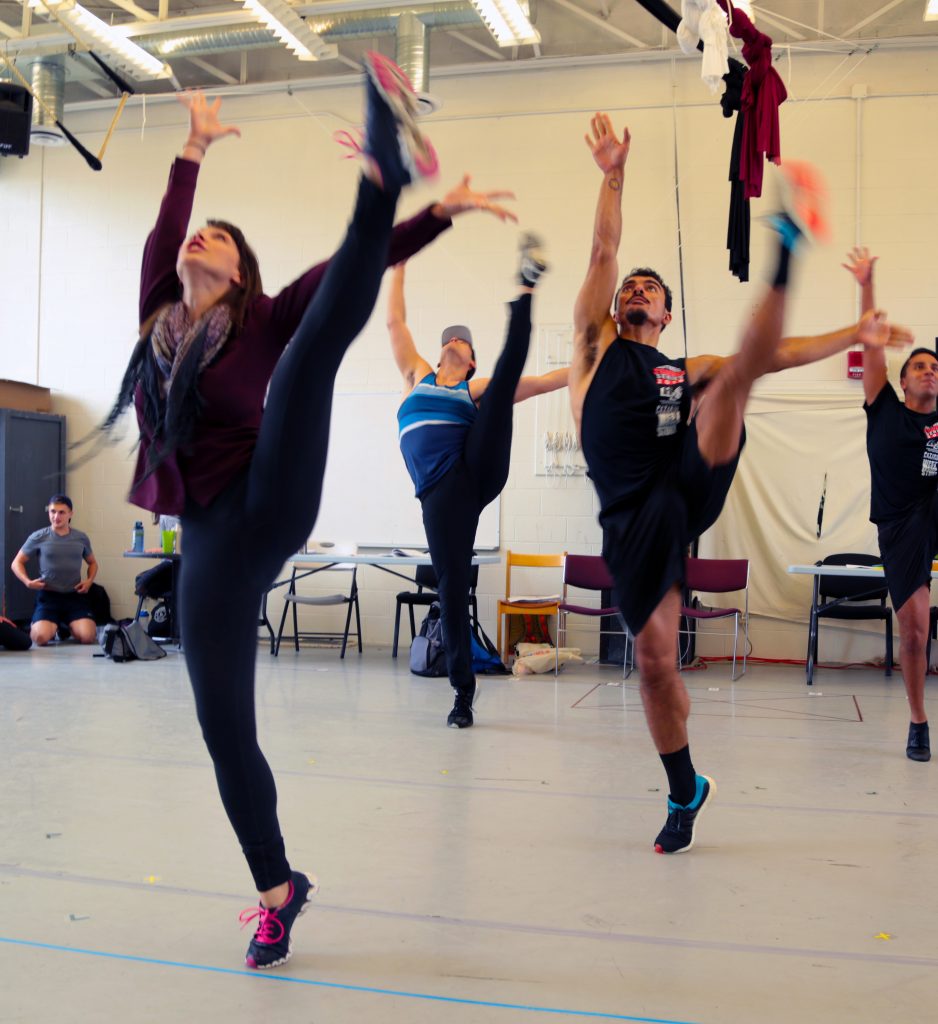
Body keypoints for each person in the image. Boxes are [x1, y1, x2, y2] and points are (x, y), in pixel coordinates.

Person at [92, 55, 520, 970]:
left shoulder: (265, 317)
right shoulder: (158, 323)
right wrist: (192, 151)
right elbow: (163, 229)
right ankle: (278, 889)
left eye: (218, 236)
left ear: (242, 270)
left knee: (312, 355)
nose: (197, 237)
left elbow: (348, 273)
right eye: (194, 234)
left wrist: (429, 215)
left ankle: (382, 169)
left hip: (272, 489)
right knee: (223, 731)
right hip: (212, 537)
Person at [569, 113, 913, 854]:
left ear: (665, 313)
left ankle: (784, 250)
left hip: (685, 482)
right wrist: (613, 173)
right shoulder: (594, 346)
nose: (637, 288)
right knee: (657, 668)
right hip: (631, 522)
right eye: (631, 285)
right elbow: (603, 247)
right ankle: (685, 789)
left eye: (651, 288)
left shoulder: (679, 366)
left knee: (732, 382)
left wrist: (857, 336)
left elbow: (777, 353)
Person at [388, 236, 567, 728]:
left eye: (463, 341)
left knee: (503, 390)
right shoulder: (416, 376)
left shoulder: (473, 386)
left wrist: (589, 368)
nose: (454, 341)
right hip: (440, 498)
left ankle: (525, 291)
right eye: (450, 337)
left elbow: (545, 382)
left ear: (470, 360)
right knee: (450, 589)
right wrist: (398, 265)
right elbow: (394, 322)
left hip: (476, 471)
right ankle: (463, 695)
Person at [852, 246, 935, 762]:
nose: (928, 372)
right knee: (915, 631)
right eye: (919, 367)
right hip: (903, 522)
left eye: (934, 368)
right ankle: (919, 721)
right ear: (903, 381)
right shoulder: (883, 408)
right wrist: (866, 283)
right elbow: (871, 341)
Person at [11, 494, 98, 646]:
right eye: (52, 512)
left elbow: (92, 563)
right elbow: (17, 562)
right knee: (40, 638)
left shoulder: (81, 538)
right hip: (49, 596)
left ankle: (63, 625)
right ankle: (47, 624)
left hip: (74, 596)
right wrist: (27, 582)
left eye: (61, 512)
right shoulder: (39, 537)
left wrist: (89, 581)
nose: (56, 516)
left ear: (71, 514)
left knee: (88, 637)